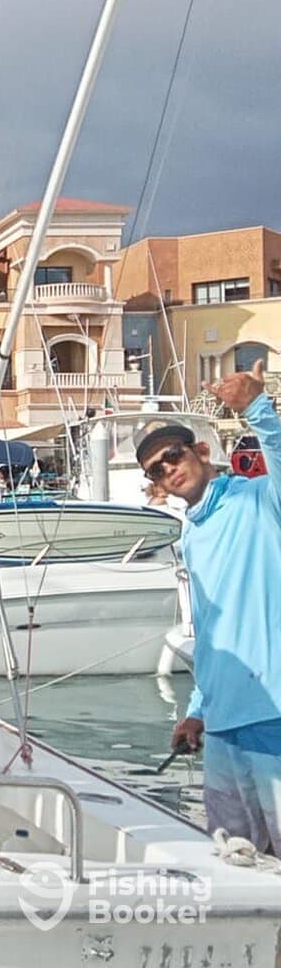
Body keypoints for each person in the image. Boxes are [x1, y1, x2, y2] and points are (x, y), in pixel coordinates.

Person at [140, 361, 281, 851]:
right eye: (156, 469)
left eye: (173, 456)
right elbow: (210, 628)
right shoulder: (192, 533)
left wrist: (256, 409)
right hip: (222, 729)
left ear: (201, 451)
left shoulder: (261, 500)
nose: (168, 470)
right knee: (232, 861)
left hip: (274, 717)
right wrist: (198, 710)